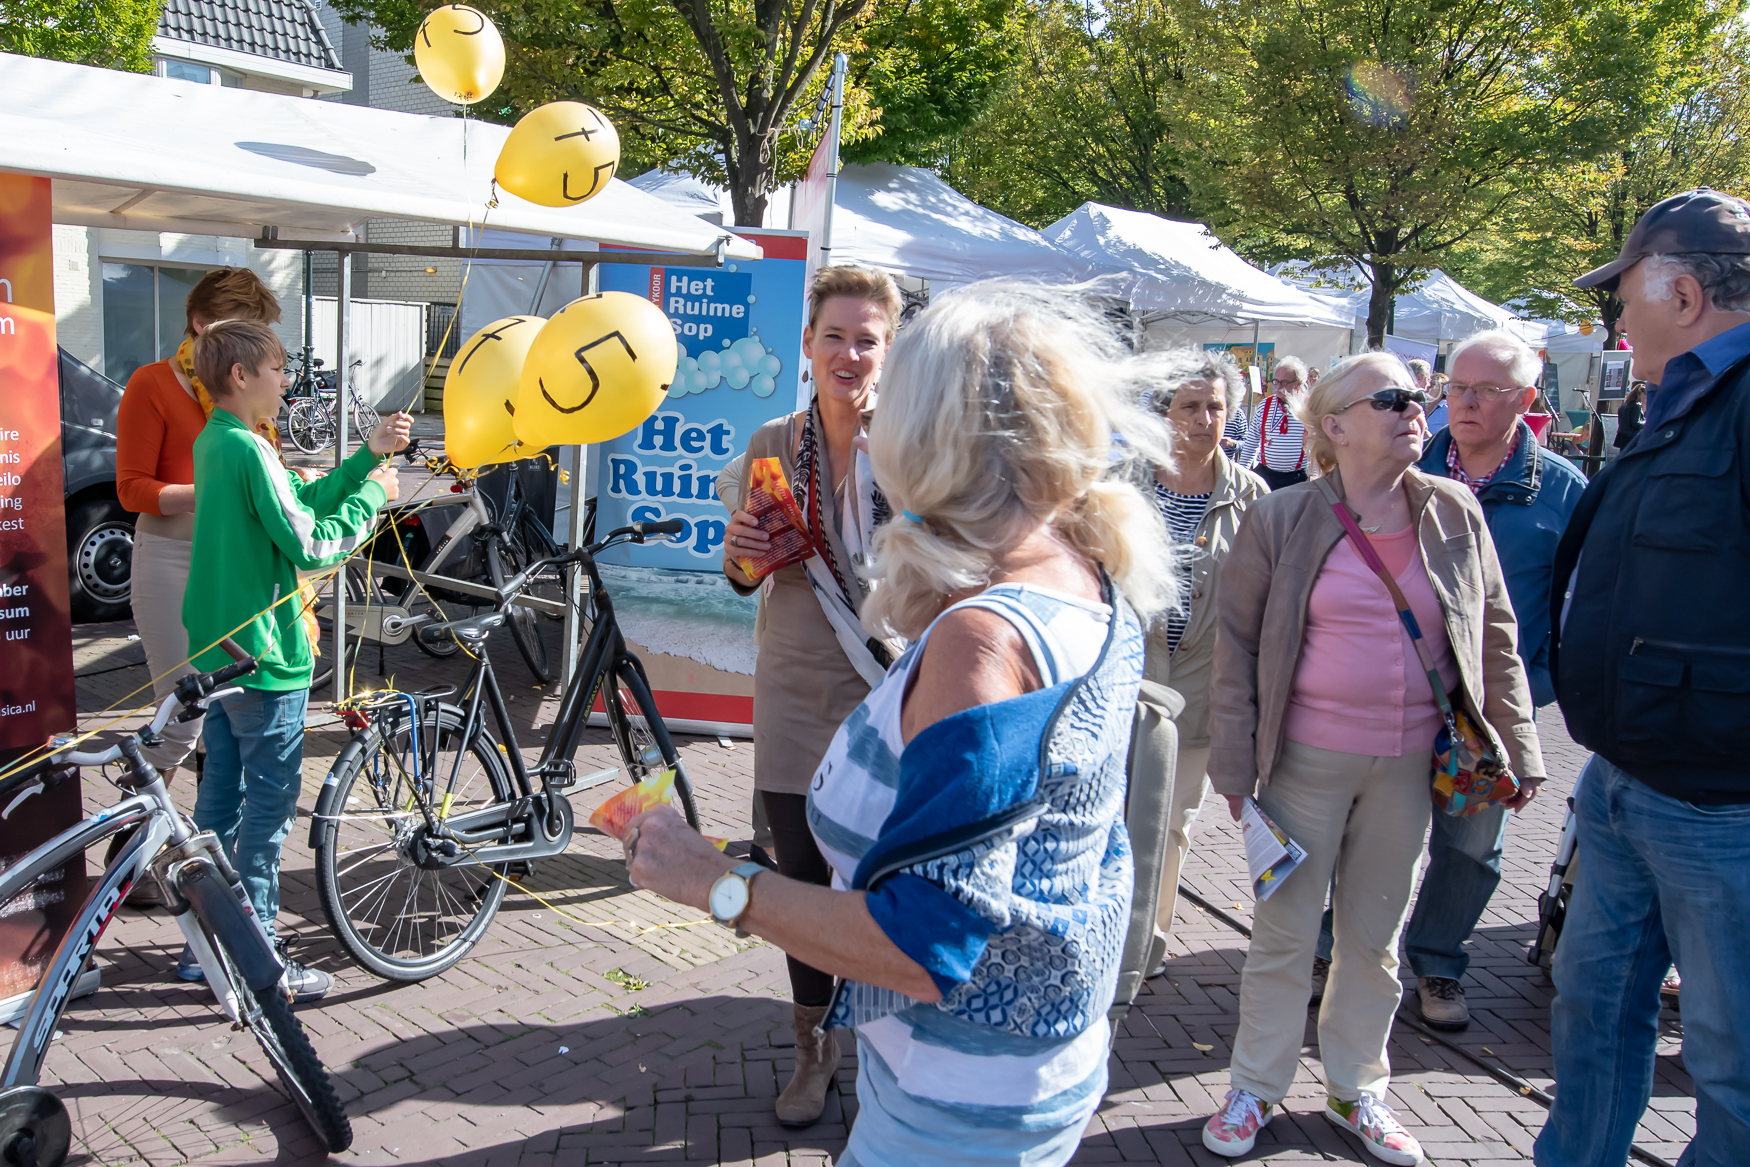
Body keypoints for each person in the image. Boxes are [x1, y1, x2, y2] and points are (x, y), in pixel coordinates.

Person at [625, 281, 1174, 1166]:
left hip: (957, 1096)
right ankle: (816, 1040)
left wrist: (713, 881)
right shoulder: (1086, 563)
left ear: (921, 428)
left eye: (883, 357)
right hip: (1033, 1059)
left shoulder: (982, 646)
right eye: (832, 338)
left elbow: (926, 943)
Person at [1201, 351, 1543, 1165]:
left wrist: (1520, 746)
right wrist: (1235, 772)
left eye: (1415, 396)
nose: (1413, 409)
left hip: (1406, 770)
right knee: (1285, 936)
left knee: (1374, 940)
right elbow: (1236, 648)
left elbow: (1495, 635)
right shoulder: (1283, 518)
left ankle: (1358, 1088)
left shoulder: (1455, 509)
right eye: (1389, 398)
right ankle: (1254, 1085)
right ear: (1334, 426)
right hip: (1302, 767)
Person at [1538, 188, 1750, 1167]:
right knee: (1590, 1010)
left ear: (1680, 291)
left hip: (1718, 808)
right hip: (1623, 783)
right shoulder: (1682, 398)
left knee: (1729, 1060)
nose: (1612, 317)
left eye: (1621, 294)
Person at [1309, 330, 1587, 1026]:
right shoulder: (1402, 460)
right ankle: (1330, 947)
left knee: (1470, 845)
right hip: (1391, 698)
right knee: (1362, 830)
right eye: (1455, 386)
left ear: (1526, 400)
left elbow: (1576, 602)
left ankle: (1437, 960)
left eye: (1486, 390)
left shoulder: (1561, 491)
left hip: (1482, 710)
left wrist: (1535, 688)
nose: (1462, 402)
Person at [717, 265, 902, 1126]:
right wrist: (745, 549)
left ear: (888, 348)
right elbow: (740, 577)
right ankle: (813, 1046)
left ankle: (889, 1047)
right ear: (808, 344)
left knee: (883, 874)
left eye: (867, 338)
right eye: (835, 335)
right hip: (793, 680)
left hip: (891, 684)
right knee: (798, 870)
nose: (850, 353)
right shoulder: (769, 442)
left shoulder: (910, 440)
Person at [183, 320, 407, 1002]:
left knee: (220, 798)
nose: (287, 382)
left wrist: (366, 459)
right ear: (242, 376)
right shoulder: (249, 449)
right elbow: (311, 542)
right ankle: (258, 956)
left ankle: (208, 948)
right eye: (278, 371)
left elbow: (295, 504)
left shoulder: (218, 441)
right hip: (264, 655)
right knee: (268, 810)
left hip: (216, 650)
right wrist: (375, 496)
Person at [116, 268, 283, 784]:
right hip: (172, 560)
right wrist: (217, 494)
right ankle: (131, 848)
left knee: (233, 717)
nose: (251, 350)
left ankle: (203, 850)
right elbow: (132, 489)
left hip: (237, 565)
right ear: (199, 324)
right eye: (242, 332)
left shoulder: (247, 390)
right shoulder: (152, 383)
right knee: (180, 722)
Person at [1135, 351, 1267, 953]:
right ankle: (1107, 930)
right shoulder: (1122, 487)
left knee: (1171, 823)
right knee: (1114, 817)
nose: (1204, 418)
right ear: (1163, 413)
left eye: (1216, 406)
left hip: (1199, 692)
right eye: (1190, 406)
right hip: (1125, 686)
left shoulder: (1253, 498)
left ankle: (1148, 938)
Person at [1237, 357, 1311, 490]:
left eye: (1283, 382)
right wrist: (1241, 472)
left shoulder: (1309, 406)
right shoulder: (1265, 405)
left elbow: (1317, 443)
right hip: (1266, 475)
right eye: (1276, 381)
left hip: (1297, 478)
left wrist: (1314, 474)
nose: (1278, 387)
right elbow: (1252, 441)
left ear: (1298, 383)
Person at [1612, 381, 1646, 449]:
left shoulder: (1624, 405)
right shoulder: (1636, 406)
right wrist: (1646, 423)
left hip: (1622, 436)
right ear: (1641, 394)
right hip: (1631, 438)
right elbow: (1635, 423)